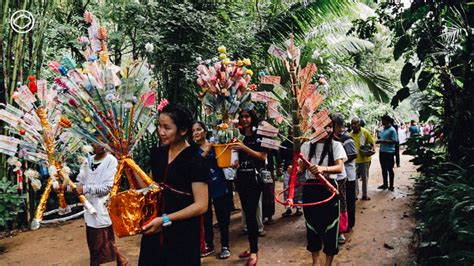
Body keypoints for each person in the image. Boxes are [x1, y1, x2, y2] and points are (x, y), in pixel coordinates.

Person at [132, 103, 209, 266]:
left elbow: (201, 205)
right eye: (159, 126)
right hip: (154, 228)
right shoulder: (158, 154)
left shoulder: (195, 160)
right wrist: (129, 166)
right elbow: (150, 190)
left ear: (183, 130)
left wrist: (165, 220)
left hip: (183, 234)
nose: (161, 132)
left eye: (167, 128)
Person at [71, 141, 129, 266]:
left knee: (101, 245)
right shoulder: (87, 160)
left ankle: (121, 261)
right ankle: (122, 261)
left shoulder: (111, 161)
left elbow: (107, 188)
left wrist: (85, 189)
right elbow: (79, 182)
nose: (99, 145)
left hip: (102, 207)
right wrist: (66, 187)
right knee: (96, 244)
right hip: (89, 209)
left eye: (102, 142)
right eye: (95, 141)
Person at [299, 116, 347, 266]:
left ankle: (328, 264)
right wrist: (294, 170)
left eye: (329, 127)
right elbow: (300, 170)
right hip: (310, 190)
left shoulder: (336, 145)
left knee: (331, 228)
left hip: (329, 189)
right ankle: (315, 263)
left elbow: (339, 168)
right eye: (323, 126)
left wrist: (323, 169)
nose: (327, 130)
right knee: (312, 226)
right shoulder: (306, 146)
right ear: (315, 128)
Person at [231, 108, 268, 266]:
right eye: (242, 117)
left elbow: (262, 156)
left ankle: (254, 252)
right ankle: (252, 246)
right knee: (247, 214)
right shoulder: (238, 136)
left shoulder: (259, 136)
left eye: (247, 116)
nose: (244, 119)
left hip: (254, 179)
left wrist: (243, 147)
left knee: (251, 215)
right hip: (241, 178)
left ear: (252, 118)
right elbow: (235, 156)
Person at [192, 121, 231, 259]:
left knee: (222, 218)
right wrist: (207, 150)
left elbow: (225, 159)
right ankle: (209, 244)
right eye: (193, 131)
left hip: (219, 184)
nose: (196, 132)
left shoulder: (216, 145)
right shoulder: (191, 150)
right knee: (206, 218)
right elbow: (195, 164)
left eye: (199, 129)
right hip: (203, 189)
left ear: (205, 130)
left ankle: (225, 246)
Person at [332, 113, 357, 241]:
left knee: (348, 201)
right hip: (336, 175)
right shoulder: (333, 138)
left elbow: (353, 154)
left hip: (347, 175)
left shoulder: (347, 138)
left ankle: (348, 225)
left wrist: (339, 160)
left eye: (333, 125)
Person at [280, 127, 304, 217]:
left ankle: (298, 207)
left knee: (299, 188)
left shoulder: (302, 142)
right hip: (288, 169)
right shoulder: (284, 143)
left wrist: (300, 166)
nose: (292, 130)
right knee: (287, 188)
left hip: (299, 168)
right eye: (291, 128)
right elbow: (281, 156)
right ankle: (288, 208)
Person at [350, 117, 375, 200]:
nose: (353, 125)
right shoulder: (350, 135)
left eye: (355, 123)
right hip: (354, 160)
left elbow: (371, 143)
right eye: (352, 124)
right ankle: (355, 195)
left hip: (364, 160)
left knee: (365, 178)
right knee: (354, 179)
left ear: (359, 124)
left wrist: (371, 151)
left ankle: (365, 195)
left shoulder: (365, 132)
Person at [377, 115, 398, 191]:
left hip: (389, 152)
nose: (382, 122)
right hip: (382, 151)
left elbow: (394, 140)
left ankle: (391, 185)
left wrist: (383, 141)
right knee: (383, 169)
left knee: (390, 168)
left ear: (387, 121)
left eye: (383, 120)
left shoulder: (392, 130)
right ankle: (385, 184)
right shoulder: (382, 129)